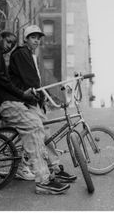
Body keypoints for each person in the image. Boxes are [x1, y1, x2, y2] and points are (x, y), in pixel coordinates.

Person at [0, 31, 70, 195]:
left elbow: (3, 81)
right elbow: (0, 80)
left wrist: (21, 94)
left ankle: (45, 172)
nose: (9, 45)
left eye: (12, 43)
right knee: (34, 127)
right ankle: (43, 180)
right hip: (1, 102)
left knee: (38, 126)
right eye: (7, 41)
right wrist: (22, 95)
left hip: (4, 100)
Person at [9, 25, 77, 183]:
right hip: (24, 101)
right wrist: (41, 94)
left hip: (33, 100)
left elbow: (35, 81)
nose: (37, 41)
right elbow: (30, 80)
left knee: (46, 134)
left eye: (38, 38)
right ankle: (21, 167)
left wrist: (42, 97)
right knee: (38, 134)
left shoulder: (30, 55)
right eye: (33, 37)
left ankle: (55, 168)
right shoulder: (21, 53)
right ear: (26, 39)